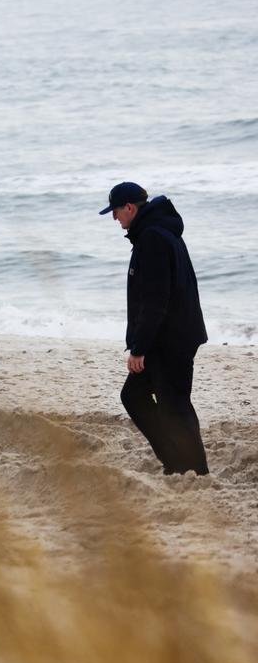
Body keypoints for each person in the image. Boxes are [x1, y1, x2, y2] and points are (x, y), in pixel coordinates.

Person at [100, 182, 209, 475]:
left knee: (175, 405)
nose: (115, 219)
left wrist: (139, 348)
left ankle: (196, 471)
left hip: (170, 338)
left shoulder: (153, 239)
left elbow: (155, 300)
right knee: (135, 396)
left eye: (116, 212)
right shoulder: (159, 232)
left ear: (130, 208)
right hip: (171, 334)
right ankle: (176, 462)